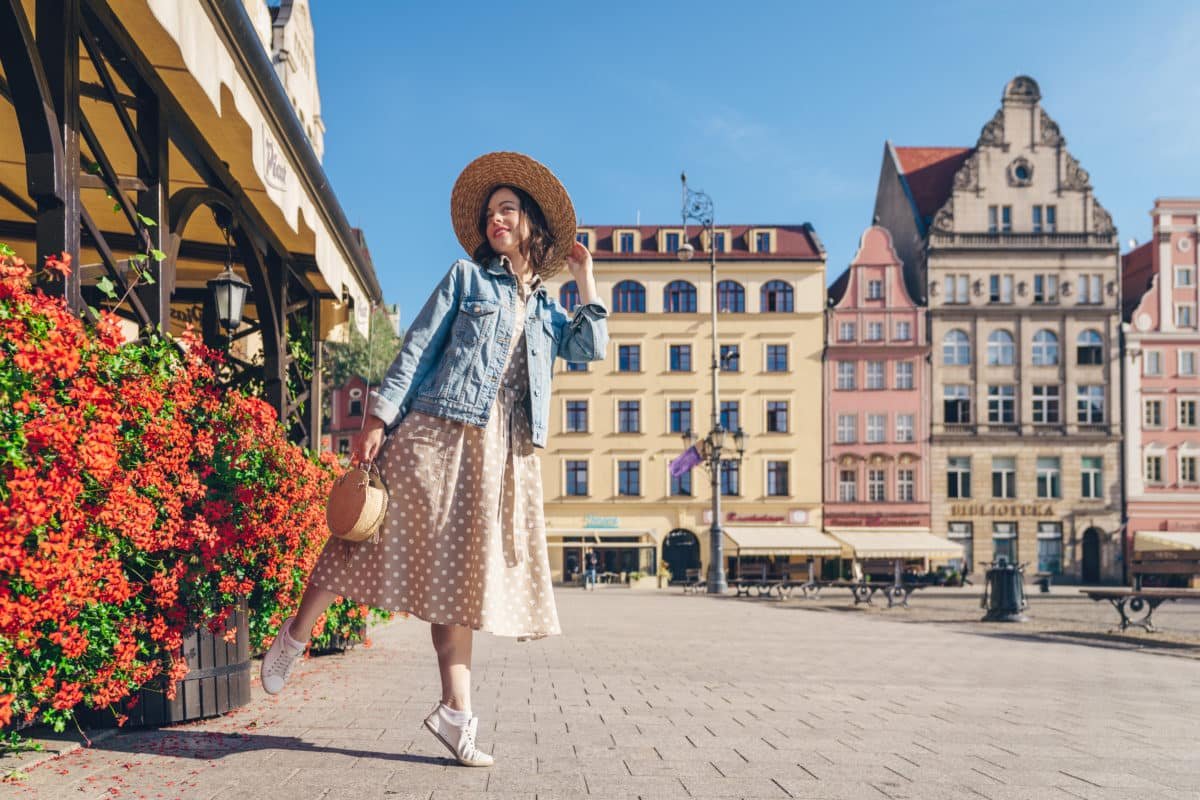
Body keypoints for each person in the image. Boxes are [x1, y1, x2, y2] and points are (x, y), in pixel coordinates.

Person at [259, 152, 608, 767]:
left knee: (461, 584)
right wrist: (376, 421)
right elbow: (416, 348)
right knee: (365, 535)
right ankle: (296, 633)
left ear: (531, 225)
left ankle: (455, 715)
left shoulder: (549, 311)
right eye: (490, 211)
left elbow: (590, 346)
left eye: (508, 210)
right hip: (438, 430)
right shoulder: (465, 279)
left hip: (501, 453)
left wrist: (586, 279)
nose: (496, 219)